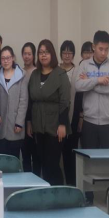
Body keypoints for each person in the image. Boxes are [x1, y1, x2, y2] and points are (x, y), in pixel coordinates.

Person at [26, 39, 71, 186]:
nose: (43, 55)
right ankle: (46, 193)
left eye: (46, 52)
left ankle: (58, 192)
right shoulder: (34, 75)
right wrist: (29, 122)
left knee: (52, 164)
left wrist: (63, 124)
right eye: (40, 52)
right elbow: (30, 100)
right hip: (38, 126)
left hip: (55, 126)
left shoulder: (60, 74)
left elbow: (65, 101)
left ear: (52, 54)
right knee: (42, 162)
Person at [75, 31, 109, 150]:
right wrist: (98, 80)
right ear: (94, 47)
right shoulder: (84, 65)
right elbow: (78, 86)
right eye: (100, 49)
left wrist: (89, 81)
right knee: (89, 158)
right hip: (89, 122)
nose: (103, 53)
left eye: (106, 49)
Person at [0, 46, 28, 158]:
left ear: (13, 58)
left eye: (8, 58)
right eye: (3, 58)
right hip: (1, 123)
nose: (5, 61)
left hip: (15, 125)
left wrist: (19, 122)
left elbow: (23, 101)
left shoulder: (21, 75)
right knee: (2, 160)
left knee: (14, 159)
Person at [59, 40, 77, 186]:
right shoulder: (56, 70)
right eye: (64, 52)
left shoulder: (78, 71)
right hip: (58, 119)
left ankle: (71, 185)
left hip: (73, 117)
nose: (67, 55)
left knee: (70, 155)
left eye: (70, 53)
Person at [21, 41, 39, 175]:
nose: (27, 56)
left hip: (34, 118)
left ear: (34, 56)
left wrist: (30, 121)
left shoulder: (37, 72)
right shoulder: (19, 72)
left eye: (29, 54)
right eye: (24, 54)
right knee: (25, 154)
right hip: (21, 118)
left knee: (36, 154)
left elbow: (33, 99)